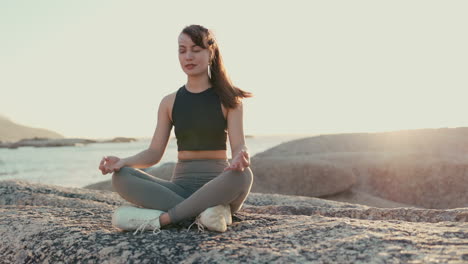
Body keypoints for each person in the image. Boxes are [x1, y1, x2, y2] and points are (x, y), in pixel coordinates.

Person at [98, 24, 254, 234]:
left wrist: (241, 157)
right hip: (179, 187)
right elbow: (154, 153)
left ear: (211, 53)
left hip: (218, 184)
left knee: (244, 176)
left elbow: (238, 146)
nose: (188, 56)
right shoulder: (169, 102)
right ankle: (208, 213)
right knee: (121, 177)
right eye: (182, 50)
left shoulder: (229, 99)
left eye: (196, 50)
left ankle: (165, 219)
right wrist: (123, 162)